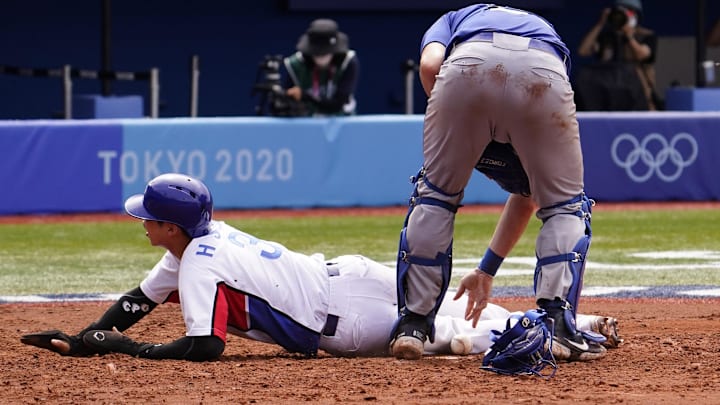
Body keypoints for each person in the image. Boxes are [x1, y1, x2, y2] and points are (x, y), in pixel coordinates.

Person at [20, 173, 620, 361]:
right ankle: (580, 320)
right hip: (346, 274)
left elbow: (205, 348)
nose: (142, 225)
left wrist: (124, 348)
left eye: (147, 218)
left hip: (342, 320)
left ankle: (556, 335)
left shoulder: (198, 262)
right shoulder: (205, 239)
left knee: (452, 336)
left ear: (172, 227)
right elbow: (140, 299)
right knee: (447, 313)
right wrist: (84, 337)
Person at [388, 4, 609, 363]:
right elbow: (529, 198)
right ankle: (556, 325)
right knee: (564, 206)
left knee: (436, 198)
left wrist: (459, 124)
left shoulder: (452, 19)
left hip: (466, 69)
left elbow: (430, 66)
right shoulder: (541, 25)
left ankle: (412, 326)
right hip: (542, 71)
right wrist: (486, 269)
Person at [575, 0, 660, 110]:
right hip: (610, 94)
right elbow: (583, 51)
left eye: (626, 13)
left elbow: (642, 55)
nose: (621, 17)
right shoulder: (608, 37)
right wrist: (601, 23)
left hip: (637, 94)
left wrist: (629, 36)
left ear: (635, 16)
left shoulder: (645, 36)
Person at [282, 18, 359, 116]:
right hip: (307, 123)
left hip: (343, 120)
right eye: (317, 53)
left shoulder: (348, 61)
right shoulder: (295, 65)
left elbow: (338, 103)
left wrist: (306, 96)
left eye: (326, 52)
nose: (321, 57)